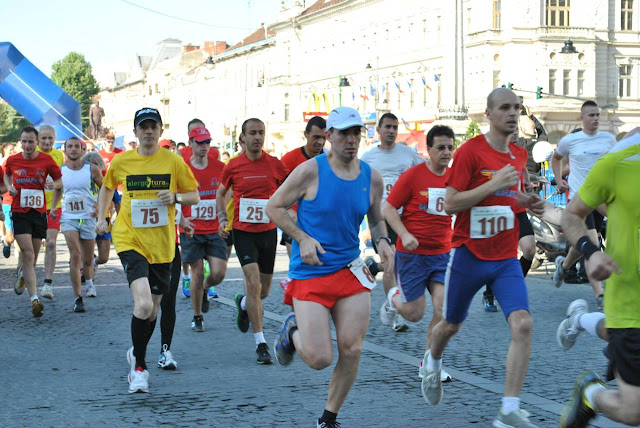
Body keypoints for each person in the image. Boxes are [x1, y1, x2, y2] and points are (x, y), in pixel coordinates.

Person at [421, 88, 545, 428]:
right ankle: (432, 362)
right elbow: (451, 203)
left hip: (505, 256)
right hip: (469, 255)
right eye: (505, 108)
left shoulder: (519, 155)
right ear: (488, 113)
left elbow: (508, 199)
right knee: (450, 325)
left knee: (523, 324)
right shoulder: (469, 153)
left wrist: (525, 201)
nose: (513, 113)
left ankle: (508, 409)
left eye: (517, 108)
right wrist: (492, 186)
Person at [266, 106, 393, 428]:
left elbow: (376, 218)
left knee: (352, 348)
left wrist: (383, 242)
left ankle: (328, 418)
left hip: (349, 271)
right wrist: (301, 238)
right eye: (344, 133)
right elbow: (274, 206)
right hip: (310, 272)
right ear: (329, 137)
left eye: (356, 134)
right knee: (320, 358)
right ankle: (292, 331)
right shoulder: (311, 171)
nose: (351, 140)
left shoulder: (371, 177)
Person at [95, 107, 199, 393]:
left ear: (161, 131)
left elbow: (195, 194)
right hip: (130, 239)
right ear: (136, 132)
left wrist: (176, 196)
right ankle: (139, 367)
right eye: (144, 127)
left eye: (154, 127)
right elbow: (106, 188)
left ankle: (135, 352)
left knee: (152, 310)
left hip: (163, 247)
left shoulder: (173, 161)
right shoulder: (121, 161)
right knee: (142, 305)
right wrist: (102, 218)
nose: (149, 131)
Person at [558, 131, 640, 428]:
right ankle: (590, 393)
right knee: (634, 413)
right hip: (632, 308)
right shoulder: (618, 161)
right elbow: (572, 215)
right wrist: (590, 253)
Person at [382, 125, 455, 382]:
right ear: (429, 149)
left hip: (442, 255)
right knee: (414, 314)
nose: (446, 152)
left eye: (450, 147)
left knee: (444, 309)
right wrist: (404, 234)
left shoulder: (456, 178)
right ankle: (392, 297)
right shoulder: (413, 176)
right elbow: (389, 208)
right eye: (441, 147)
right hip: (412, 255)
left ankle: (430, 363)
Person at [216, 118, 288, 365]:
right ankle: (261, 343)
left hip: (268, 232)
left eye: (261, 133)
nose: (258, 137)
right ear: (243, 138)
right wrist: (222, 219)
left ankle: (243, 302)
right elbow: (220, 193)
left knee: (263, 291)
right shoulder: (233, 166)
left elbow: (289, 189)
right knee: (254, 283)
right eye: (253, 133)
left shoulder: (275, 165)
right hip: (243, 232)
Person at [361, 112, 425, 332]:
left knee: (399, 263)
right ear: (378, 130)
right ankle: (394, 312)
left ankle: (374, 266)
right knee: (392, 262)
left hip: (403, 218)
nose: (391, 131)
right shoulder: (368, 158)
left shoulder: (409, 155)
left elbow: (425, 173)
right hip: (380, 218)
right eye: (387, 127)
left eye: (395, 127)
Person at [551, 100, 616, 309]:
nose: (595, 118)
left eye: (597, 115)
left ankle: (565, 265)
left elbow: (616, 163)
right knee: (592, 244)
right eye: (591, 115)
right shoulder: (571, 140)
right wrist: (558, 178)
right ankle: (600, 295)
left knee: (582, 247)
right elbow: (556, 157)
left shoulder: (609, 139)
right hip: (580, 200)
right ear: (582, 118)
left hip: (602, 197)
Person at [4, 126, 62, 317]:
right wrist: (9, 187)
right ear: (20, 142)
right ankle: (34, 300)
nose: (27, 145)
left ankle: (22, 275)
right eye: (24, 141)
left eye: (31, 141)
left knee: (33, 256)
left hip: (39, 213)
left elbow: (59, 184)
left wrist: (53, 206)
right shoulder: (13, 160)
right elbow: (5, 174)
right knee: (28, 253)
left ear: (37, 142)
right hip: (19, 212)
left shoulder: (47, 160)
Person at [482, 129, 537, 312]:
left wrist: (527, 184)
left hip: (519, 210)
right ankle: (490, 293)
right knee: (500, 257)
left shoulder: (521, 153)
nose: (513, 133)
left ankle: (511, 287)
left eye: (516, 130)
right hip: (500, 211)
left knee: (529, 249)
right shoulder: (493, 153)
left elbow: (524, 174)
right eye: (510, 130)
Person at [181, 126, 227, 332]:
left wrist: (222, 213)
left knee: (218, 273)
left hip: (214, 229)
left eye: (207, 142)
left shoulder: (220, 167)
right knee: (197, 273)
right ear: (190, 143)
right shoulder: (182, 168)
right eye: (199, 142)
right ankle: (197, 316)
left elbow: (230, 191)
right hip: (191, 229)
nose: (204, 146)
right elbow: (173, 195)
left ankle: (207, 288)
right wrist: (181, 219)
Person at [50, 137, 103, 312]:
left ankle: (89, 282)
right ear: (65, 150)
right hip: (68, 217)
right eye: (69, 147)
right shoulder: (61, 170)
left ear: (82, 150)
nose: (73, 149)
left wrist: (99, 207)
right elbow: (57, 189)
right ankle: (77, 298)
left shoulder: (91, 169)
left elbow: (105, 188)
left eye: (76, 147)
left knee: (87, 259)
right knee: (75, 254)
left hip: (88, 217)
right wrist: (53, 207)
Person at [279, 116, 327, 257]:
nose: (320, 142)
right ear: (306, 135)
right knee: (298, 266)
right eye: (316, 137)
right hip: (295, 223)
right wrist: (288, 210)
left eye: (323, 137)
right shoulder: (289, 160)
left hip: (322, 222)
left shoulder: (331, 159)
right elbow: (275, 190)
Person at [36, 125, 65, 300]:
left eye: (50, 138)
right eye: (44, 138)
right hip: (34, 207)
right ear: (38, 139)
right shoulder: (32, 153)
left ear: (54, 139)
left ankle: (48, 284)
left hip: (54, 206)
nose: (47, 142)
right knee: (31, 247)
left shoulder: (58, 155)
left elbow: (61, 180)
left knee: (52, 243)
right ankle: (23, 270)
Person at [1, 143, 17, 258]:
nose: (13, 152)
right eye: (10, 150)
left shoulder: (22, 162)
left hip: (23, 204)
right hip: (8, 203)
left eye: (13, 149)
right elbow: (1, 187)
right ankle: (6, 242)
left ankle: (21, 269)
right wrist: (9, 185)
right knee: (11, 237)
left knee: (24, 236)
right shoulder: (3, 165)